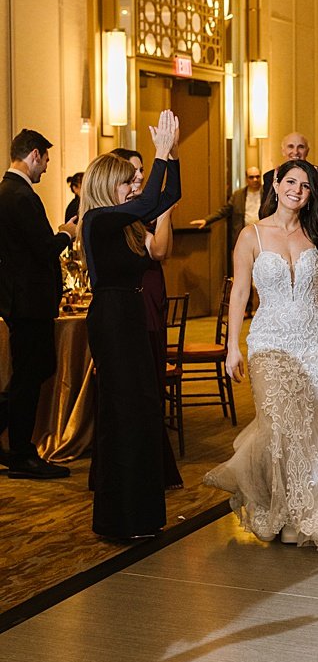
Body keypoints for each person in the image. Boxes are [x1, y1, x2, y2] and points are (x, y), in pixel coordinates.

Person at [204, 159, 318, 551]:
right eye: (290, 181)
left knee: (310, 428)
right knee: (280, 426)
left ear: (312, 193)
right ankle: (274, 503)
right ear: (276, 185)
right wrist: (232, 347)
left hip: (314, 341)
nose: (297, 189)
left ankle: (300, 513)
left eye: (306, 184)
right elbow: (240, 294)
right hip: (269, 342)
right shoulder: (252, 236)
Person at [81, 112, 181, 539]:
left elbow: (169, 195)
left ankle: (142, 515)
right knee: (122, 413)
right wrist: (156, 153)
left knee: (142, 410)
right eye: (129, 182)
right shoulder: (99, 220)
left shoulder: (124, 224)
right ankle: (117, 518)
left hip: (130, 316)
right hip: (111, 318)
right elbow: (145, 204)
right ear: (108, 186)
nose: (136, 188)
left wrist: (171, 155)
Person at [0, 129, 76, 478]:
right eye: (45, 161)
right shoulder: (20, 196)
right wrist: (66, 233)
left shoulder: (8, 192)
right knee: (30, 376)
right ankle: (21, 453)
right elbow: (43, 248)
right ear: (33, 155)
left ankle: (18, 450)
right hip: (30, 303)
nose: (45, 169)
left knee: (33, 371)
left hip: (21, 300)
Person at [111, 147, 182, 491]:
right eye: (133, 174)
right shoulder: (111, 217)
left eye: (142, 173)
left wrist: (166, 211)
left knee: (151, 377)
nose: (139, 180)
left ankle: (153, 463)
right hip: (125, 304)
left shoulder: (141, 215)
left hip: (150, 291)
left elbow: (161, 251)